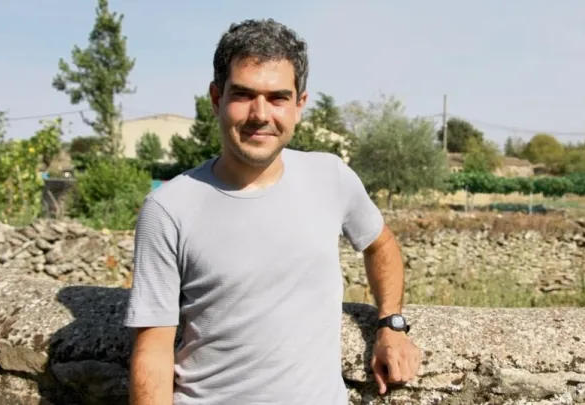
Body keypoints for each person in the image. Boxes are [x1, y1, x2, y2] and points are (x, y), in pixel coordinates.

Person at [123, 18, 421, 405]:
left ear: (299, 105)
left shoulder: (331, 176)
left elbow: (380, 245)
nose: (260, 114)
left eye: (278, 97)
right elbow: (153, 352)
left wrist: (390, 324)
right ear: (216, 98)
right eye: (243, 94)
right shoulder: (168, 208)